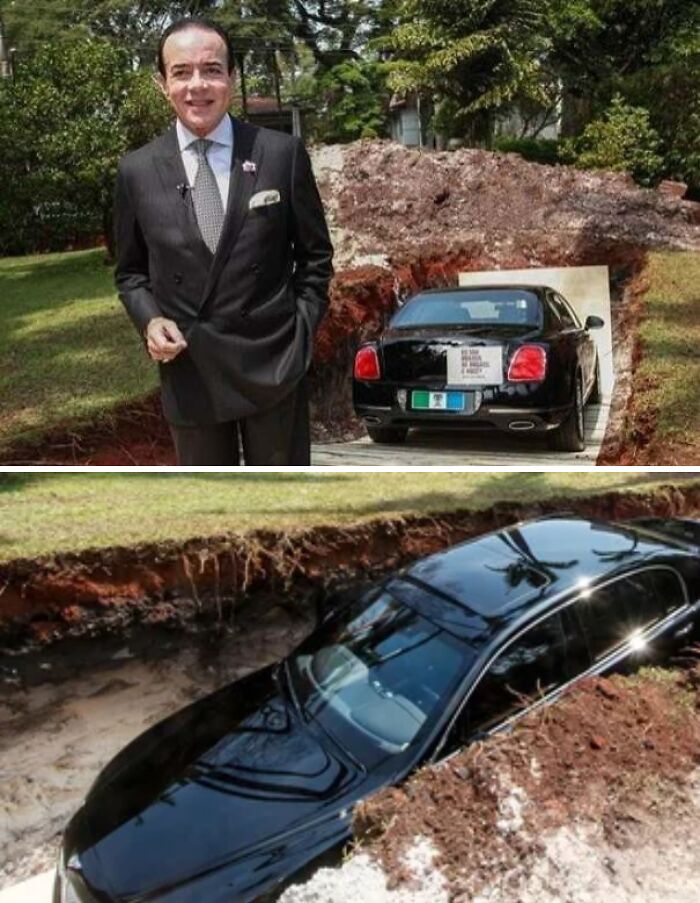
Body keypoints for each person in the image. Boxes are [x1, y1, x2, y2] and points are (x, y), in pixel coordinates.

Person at [114, 17, 333, 466]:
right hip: (190, 370)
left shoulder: (279, 154)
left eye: (212, 69)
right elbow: (130, 273)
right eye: (182, 72)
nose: (198, 85)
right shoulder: (135, 172)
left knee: (281, 509)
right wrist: (150, 322)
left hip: (272, 364)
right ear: (163, 84)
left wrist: (300, 336)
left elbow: (315, 259)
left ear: (230, 78)